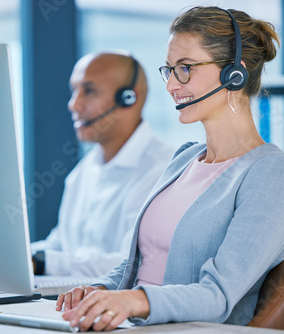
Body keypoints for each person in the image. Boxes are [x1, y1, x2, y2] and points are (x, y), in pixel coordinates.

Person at [56, 6, 284, 332]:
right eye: (170, 69)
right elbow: (140, 262)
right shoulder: (184, 159)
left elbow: (218, 295)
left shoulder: (274, 173)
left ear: (235, 73)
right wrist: (100, 290)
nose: (171, 85)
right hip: (134, 324)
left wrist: (133, 301)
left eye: (185, 68)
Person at [30, 52, 176, 277]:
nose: (73, 105)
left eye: (89, 91)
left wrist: (41, 263)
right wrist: (22, 256)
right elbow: (60, 245)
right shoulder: (84, 171)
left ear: (129, 98)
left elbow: (133, 264)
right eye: (74, 90)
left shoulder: (163, 171)